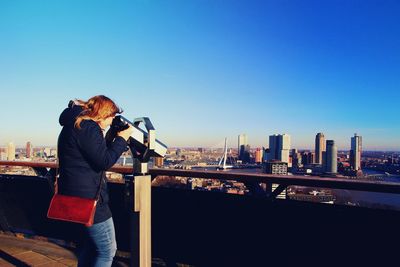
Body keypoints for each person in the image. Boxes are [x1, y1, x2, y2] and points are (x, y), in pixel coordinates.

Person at [57, 95, 133, 267]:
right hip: (90, 199)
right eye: (111, 116)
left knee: (91, 247)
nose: (111, 121)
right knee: (107, 250)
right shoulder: (88, 128)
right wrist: (122, 139)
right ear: (103, 113)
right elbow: (104, 161)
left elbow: (93, 152)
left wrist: (112, 136)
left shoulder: (75, 124)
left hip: (75, 196)